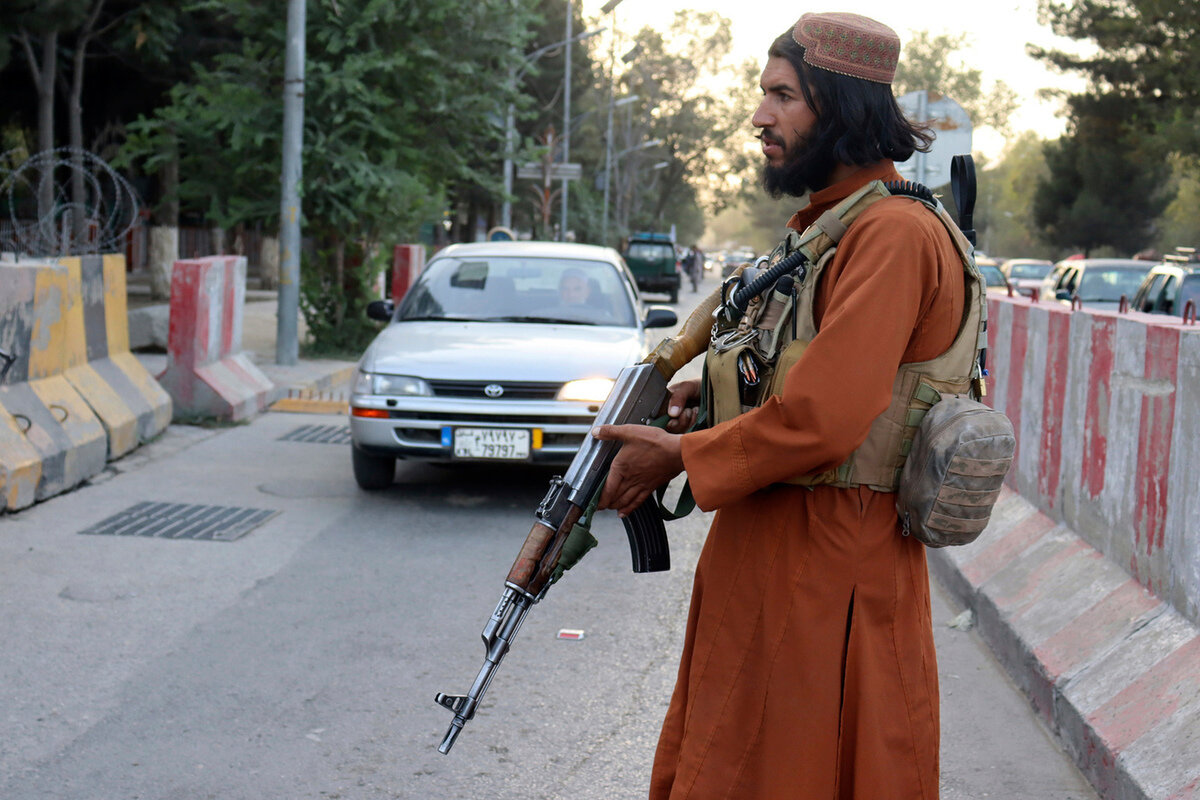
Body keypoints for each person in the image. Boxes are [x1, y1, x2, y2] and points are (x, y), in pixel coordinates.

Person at [593, 11, 968, 799]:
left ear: (840, 107)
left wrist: (678, 457)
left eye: (783, 96)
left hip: (828, 570)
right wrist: (711, 394)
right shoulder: (829, 232)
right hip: (774, 558)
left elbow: (826, 417)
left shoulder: (892, 235)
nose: (761, 115)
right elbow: (792, 370)